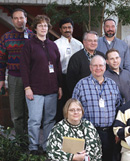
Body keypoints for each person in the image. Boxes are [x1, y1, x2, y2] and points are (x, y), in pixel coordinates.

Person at [20, 15, 62, 154]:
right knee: (35, 120)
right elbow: (24, 68)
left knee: (50, 120)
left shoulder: (53, 45)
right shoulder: (29, 45)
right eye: (40, 25)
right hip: (35, 90)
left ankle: (47, 146)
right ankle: (33, 146)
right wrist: (27, 88)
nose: (43, 28)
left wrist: (59, 86)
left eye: (45, 26)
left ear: (48, 28)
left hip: (52, 89)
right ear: (35, 28)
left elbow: (58, 67)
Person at [72, 55, 121, 161]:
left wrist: (118, 132)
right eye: (95, 66)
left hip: (109, 134)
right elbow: (73, 111)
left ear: (105, 67)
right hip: (88, 133)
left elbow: (118, 108)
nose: (98, 68)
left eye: (100, 65)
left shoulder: (112, 84)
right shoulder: (81, 85)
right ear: (90, 67)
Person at [0, 8, 34, 138]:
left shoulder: (33, 36)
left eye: (21, 18)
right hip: (14, 77)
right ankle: (21, 141)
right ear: (13, 20)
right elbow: (1, 60)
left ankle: (31, 141)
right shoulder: (6, 38)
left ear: (26, 19)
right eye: (16, 18)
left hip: (32, 78)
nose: (19, 21)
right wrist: (1, 79)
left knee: (31, 112)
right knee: (16, 112)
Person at [55, 17, 83, 122]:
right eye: (64, 28)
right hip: (62, 77)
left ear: (73, 29)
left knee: (75, 101)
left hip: (76, 78)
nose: (67, 30)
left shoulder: (79, 44)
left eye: (69, 27)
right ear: (60, 30)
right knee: (62, 103)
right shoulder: (56, 44)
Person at [66, 31, 105, 97]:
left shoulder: (102, 56)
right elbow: (71, 81)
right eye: (90, 41)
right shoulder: (76, 58)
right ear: (84, 42)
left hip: (100, 94)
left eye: (95, 41)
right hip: (82, 95)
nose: (93, 43)